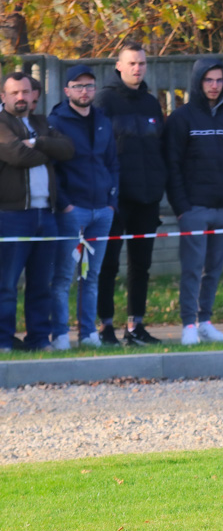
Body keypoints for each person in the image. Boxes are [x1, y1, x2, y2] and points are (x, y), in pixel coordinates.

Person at [164, 58, 223, 345]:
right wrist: (182, 208)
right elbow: (172, 166)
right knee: (192, 269)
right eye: (209, 80)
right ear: (198, 82)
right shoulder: (181, 119)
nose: (214, 86)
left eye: (219, 80)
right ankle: (188, 325)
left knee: (214, 270)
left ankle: (206, 322)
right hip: (194, 210)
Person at [95, 41, 166, 346]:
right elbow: (97, 151)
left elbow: (159, 149)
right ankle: (104, 326)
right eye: (132, 63)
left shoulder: (151, 103)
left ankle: (135, 326)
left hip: (147, 199)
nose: (137, 68)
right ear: (119, 66)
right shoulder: (104, 101)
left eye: (141, 63)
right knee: (107, 264)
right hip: (115, 199)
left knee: (141, 266)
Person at [0, 72, 74, 352]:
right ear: (3, 97)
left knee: (41, 284)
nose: (21, 97)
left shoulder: (42, 123)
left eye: (25, 92)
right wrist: (45, 150)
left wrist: (38, 142)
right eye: (15, 92)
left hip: (47, 216)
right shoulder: (1, 124)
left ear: (33, 95)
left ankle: (39, 340)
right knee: (6, 285)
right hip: (12, 216)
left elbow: (68, 148)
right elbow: (18, 155)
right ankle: (3, 342)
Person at [48, 65, 119, 350]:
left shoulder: (103, 120)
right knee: (64, 276)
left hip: (102, 211)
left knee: (91, 276)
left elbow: (112, 163)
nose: (84, 91)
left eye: (89, 86)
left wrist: (112, 202)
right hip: (72, 211)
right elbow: (51, 168)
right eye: (78, 86)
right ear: (67, 90)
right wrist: (64, 204)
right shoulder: (57, 122)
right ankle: (61, 334)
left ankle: (88, 332)